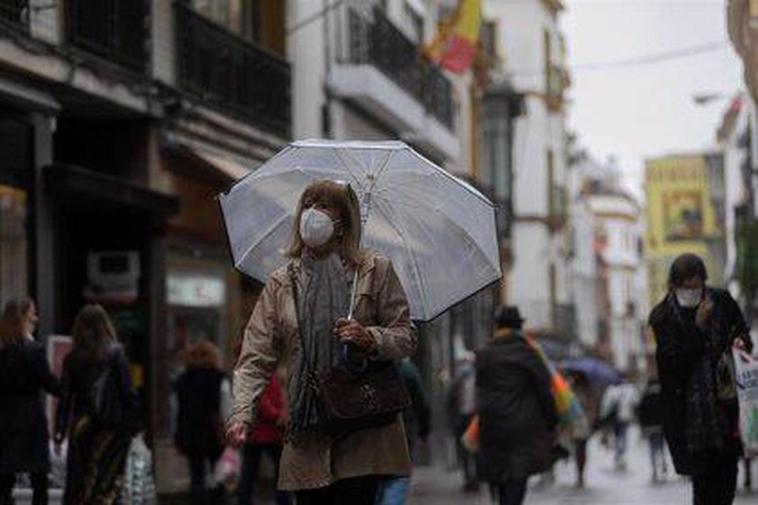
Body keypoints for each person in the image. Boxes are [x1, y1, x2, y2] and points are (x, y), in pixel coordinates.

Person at [226, 180, 416, 504]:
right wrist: (242, 412)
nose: (313, 213)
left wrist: (370, 337)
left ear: (343, 221)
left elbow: (406, 336)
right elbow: (256, 354)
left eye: (324, 205)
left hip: (361, 428)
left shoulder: (374, 270)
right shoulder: (282, 281)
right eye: (309, 204)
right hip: (306, 431)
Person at [649, 253, 752, 505]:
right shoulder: (663, 317)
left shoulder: (723, 301)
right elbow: (674, 366)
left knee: (726, 484)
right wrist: (697, 326)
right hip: (690, 421)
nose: (692, 292)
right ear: (674, 286)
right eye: (686, 287)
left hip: (726, 411)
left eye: (697, 286)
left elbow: (743, 335)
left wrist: (741, 343)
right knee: (704, 491)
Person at [54, 304, 140, 505]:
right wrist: (135, 423)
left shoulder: (72, 358)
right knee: (107, 480)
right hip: (112, 428)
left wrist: (59, 430)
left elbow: (65, 397)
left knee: (79, 480)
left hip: (82, 426)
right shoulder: (116, 353)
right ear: (105, 326)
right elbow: (128, 391)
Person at [476, 306, 558, 505]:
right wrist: (552, 421)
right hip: (522, 428)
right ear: (519, 326)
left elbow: (479, 388)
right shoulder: (529, 352)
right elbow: (544, 389)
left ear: (498, 326)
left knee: (498, 477)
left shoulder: (485, 354)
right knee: (517, 480)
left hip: (492, 425)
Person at [0, 298, 59, 505]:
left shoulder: (2, 351)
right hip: (31, 418)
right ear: (23, 317)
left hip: (5, 417)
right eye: (33, 313)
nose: (36, 318)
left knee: (5, 477)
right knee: (39, 478)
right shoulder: (34, 351)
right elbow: (50, 384)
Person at [174, 339, 229, 505]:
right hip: (214, 432)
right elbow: (225, 406)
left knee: (196, 476)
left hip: (190, 432)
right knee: (217, 474)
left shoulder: (182, 380)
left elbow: (177, 409)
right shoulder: (219, 378)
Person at [375, 357, 431, 505]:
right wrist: (424, 432)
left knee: (374, 483)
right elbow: (422, 405)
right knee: (397, 478)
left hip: (371, 439)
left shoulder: (362, 366)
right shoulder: (407, 370)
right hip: (402, 434)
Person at [237, 369, 290, 505]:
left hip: (258, 432)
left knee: (249, 473)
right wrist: (278, 417)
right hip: (268, 431)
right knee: (279, 472)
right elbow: (261, 403)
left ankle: (245, 500)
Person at [446, 351, 478, 492]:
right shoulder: (457, 381)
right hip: (463, 419)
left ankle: (475, 478)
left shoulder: (478, 379)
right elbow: (450, 402)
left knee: (474, 450)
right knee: (465, 451)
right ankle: (469, 479)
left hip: (474, 418)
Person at [599, 374, 638, 469]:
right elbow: (636, 401)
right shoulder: (630, 389)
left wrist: (603, 417)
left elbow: (606, 405)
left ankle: (619, 454)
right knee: (623, 435)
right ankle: (621, 454)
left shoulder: (612, 389)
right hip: (625, 417)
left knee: (618, 435)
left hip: (615, 418)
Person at [565, 371, 596, 488]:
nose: (574, 378)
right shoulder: (570, 389)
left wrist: (589, 419)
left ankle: (580, 474)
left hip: (584, 423)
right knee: (576, 448)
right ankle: (578, 472)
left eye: (576, 376)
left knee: (581, 448)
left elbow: (592, 406)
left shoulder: (588, 391)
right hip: (573, 423)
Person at [638, 375, 668, 482]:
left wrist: (642, 427)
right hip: (661, 426)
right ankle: (664, 463)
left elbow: (641, 413)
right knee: (661, 446)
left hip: (649, 427)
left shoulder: (645, 396)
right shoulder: (663, 395)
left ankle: (654, 468)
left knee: (652, 448)